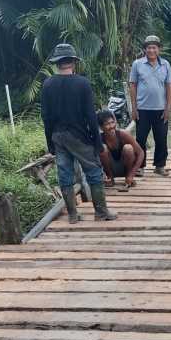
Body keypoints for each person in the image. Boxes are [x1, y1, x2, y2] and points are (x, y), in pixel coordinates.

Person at [40, 43, 117, 223]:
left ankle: (73, 215)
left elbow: (45, 116)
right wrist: (97, 142)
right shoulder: (82, 83)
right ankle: (101, 212)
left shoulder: (48, 84)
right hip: (79, 136)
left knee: (64, 174)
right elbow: (90, 116)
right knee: (93, 171)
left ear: (56, 63)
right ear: (74, 62)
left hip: (58, 136)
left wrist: (50, 141)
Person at [129, 35, 171, 177]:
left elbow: (169, 86)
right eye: (149, 47)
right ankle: (140, 166)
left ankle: (159, 166)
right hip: (142, 109)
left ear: (158, 49)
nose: (151, 50)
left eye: (154, 47)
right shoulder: (137, 64)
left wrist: (168, 108)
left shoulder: (165, 64)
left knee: (161, 138)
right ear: (145, 49)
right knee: (140, 139)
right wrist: (134, 108)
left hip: (160, 109)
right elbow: (132, 85)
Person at [98, 109, 145, 188]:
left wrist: (132, 174)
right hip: (110, 169)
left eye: (112, 122)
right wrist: (101, 175)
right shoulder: (99, 138)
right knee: (102, 148)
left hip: (125, 167)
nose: (111, 126)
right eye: (107, 124)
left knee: (128, 148)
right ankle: (110, 178)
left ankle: (128, 177)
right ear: (101, 127)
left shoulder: (123, 134)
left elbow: (141, 153)